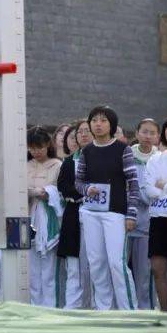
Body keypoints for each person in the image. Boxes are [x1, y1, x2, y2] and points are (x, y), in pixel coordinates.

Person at [75, 106, 141, 311]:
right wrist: (87, 189)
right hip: (91, 212)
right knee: (96, 263)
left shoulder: (123, 149)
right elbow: (78, 182)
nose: (98, 124)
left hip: (116, 214)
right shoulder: (86, 151)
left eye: (103, 120)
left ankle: (129, 311)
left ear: (112, 125)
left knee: (117, 263)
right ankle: (104, 310)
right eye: (94, 120)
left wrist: (131, 215)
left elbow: (133, 184)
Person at [26, 127, 62, 307]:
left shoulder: (57, 165)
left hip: (49, 219)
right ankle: (35, 305)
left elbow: (59, 193)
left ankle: (50, 306)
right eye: (32, 148)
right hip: (29, 216)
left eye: (39, 147)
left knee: (48, 268)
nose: (36, 152)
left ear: (48, 144)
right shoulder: (25, 165)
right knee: (32, 268)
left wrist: (46, 193)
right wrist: (33, 192)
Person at [57, 121, 91, 308]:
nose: (84, 135)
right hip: (73, 214)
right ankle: (72, 308)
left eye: (88, 131)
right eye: (80, 132)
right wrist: (84, 192)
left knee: (94, 264)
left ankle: (94, 307)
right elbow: (63, 186)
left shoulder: (102, 160)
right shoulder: (69, 162)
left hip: (96, 214)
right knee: (73, 266)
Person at [130, 119, 160, 309]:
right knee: (121, 270)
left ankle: (145, 310)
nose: (148, 136)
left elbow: (161, 189)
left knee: (144, 273)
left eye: (152, 133)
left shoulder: (160, 158)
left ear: (158, 136)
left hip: (149, 223)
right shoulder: (127, 154)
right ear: (137, 133)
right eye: (144, 132)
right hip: (127, 220)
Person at [145, 142, 167, 311]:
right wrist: (164, 191)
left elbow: (159, 186)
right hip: (159, 217)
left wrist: (165, 186)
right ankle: (165, 313)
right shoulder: (155, 159)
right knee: (157, 268)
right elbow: (149, 188)